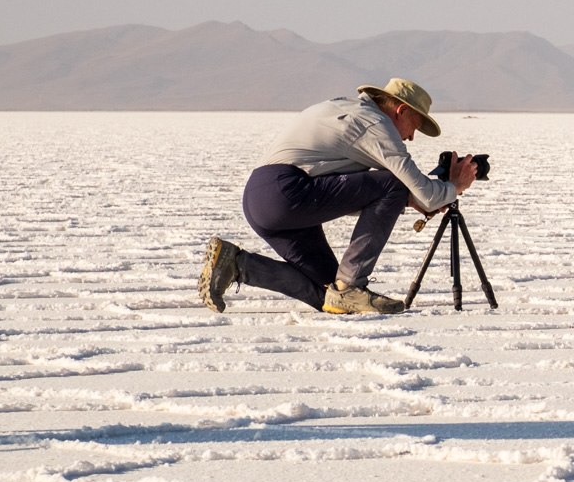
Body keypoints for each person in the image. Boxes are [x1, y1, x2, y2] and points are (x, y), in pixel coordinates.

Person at [197, 78, 479, 315]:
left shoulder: (343, 106)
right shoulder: (375, 124)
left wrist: (404, 200)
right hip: (287, 192)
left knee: (330, 298)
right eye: (414, 128)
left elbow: (349, 194)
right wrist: (456, 185)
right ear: (401, 110)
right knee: (393, 184)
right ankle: (353, 284)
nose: (411, 138)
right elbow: (427, 196)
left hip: (262, 197)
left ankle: (238, 264)